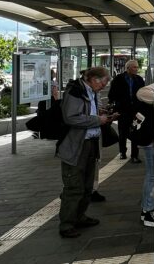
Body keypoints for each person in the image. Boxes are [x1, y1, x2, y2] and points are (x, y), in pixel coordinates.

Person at [56, 67, 118, 239]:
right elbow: (71, 117)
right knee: (74, 186)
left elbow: (87, 111)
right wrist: (98, 119)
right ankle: (66, 224)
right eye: (103, 83)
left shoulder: (92, 92)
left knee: (87, 185)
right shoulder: (76, 91)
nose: (104, 86)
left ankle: (79, 216)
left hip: (91, 142)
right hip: (76, 144)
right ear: (93, 79)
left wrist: (103, 114)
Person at [108, 60, 145, 163]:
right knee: (122, 132)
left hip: (136, 110)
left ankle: (135, 155)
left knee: (136, 131)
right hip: (123, 109)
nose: (136, 69)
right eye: (134, 67)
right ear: (128, 68)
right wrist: (114, 105)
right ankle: (122, 152)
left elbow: (143, 94)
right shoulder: (118, 79)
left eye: (137, 67)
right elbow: (112, 94)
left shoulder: (139, 79)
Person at [135, 83, 154, 227]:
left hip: (151, 140)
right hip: (151, 141)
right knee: (153, 175)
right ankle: (149, 211)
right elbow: (141, 92)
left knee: (152, 175)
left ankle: (146, 209)